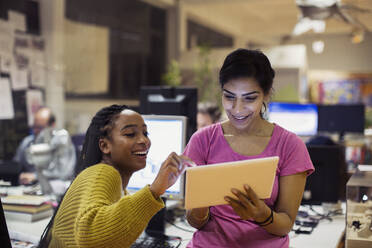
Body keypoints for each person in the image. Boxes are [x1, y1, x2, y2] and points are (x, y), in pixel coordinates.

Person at [184, 49, 315, 248]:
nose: (237, 109)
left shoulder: (290, 146)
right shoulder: (202, 140)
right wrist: (200, 209)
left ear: (266, 94)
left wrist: (261, 214)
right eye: (229, 97)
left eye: (249, 98)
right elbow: (194, 221)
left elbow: (285, 224)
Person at [38, 104, 192, 247]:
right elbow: (89, 237)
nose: (144, 140)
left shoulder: (114, 183)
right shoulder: (103, 173)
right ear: (105, 145)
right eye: (130, 134)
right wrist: (154, 191)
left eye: (145, 133)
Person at [13, 107, 76, 185]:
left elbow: (64, 173)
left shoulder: (62, 143)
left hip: (55, 188)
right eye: (34, 127)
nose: (35, 131)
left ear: (52, 125)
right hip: (29, 189)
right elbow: (15, 166)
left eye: (39, 127)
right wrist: (20, 176)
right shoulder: (27, 142)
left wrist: (35, 176)